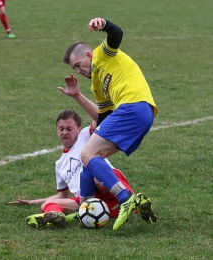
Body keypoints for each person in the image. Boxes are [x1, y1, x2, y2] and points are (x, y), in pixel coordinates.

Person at [62, 17, 158, 231]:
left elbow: (117, 34)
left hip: (134, 105)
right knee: (89, 159)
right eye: (75, 69)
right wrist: (98, 126)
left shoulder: (101, 54)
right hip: (140, 113)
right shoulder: (97, 87)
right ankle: (84, 208)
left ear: (88, 55)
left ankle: (125, 198)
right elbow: (104, 114)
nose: (79, 71)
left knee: (87, 154)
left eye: (78, 65)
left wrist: (103, 23)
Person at [8, 109, 137, 229]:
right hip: (85, 199)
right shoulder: (59, 164)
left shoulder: (86, 136)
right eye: (61, 129)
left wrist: (77, 95)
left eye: (69, 128)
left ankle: (131, 198)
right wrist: (32, 202)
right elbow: (63, 195)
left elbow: (102, 117)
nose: (64, 132)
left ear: (79, 129)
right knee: (47, 205)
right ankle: (56, 217)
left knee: (97, 178)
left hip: (107, 185)